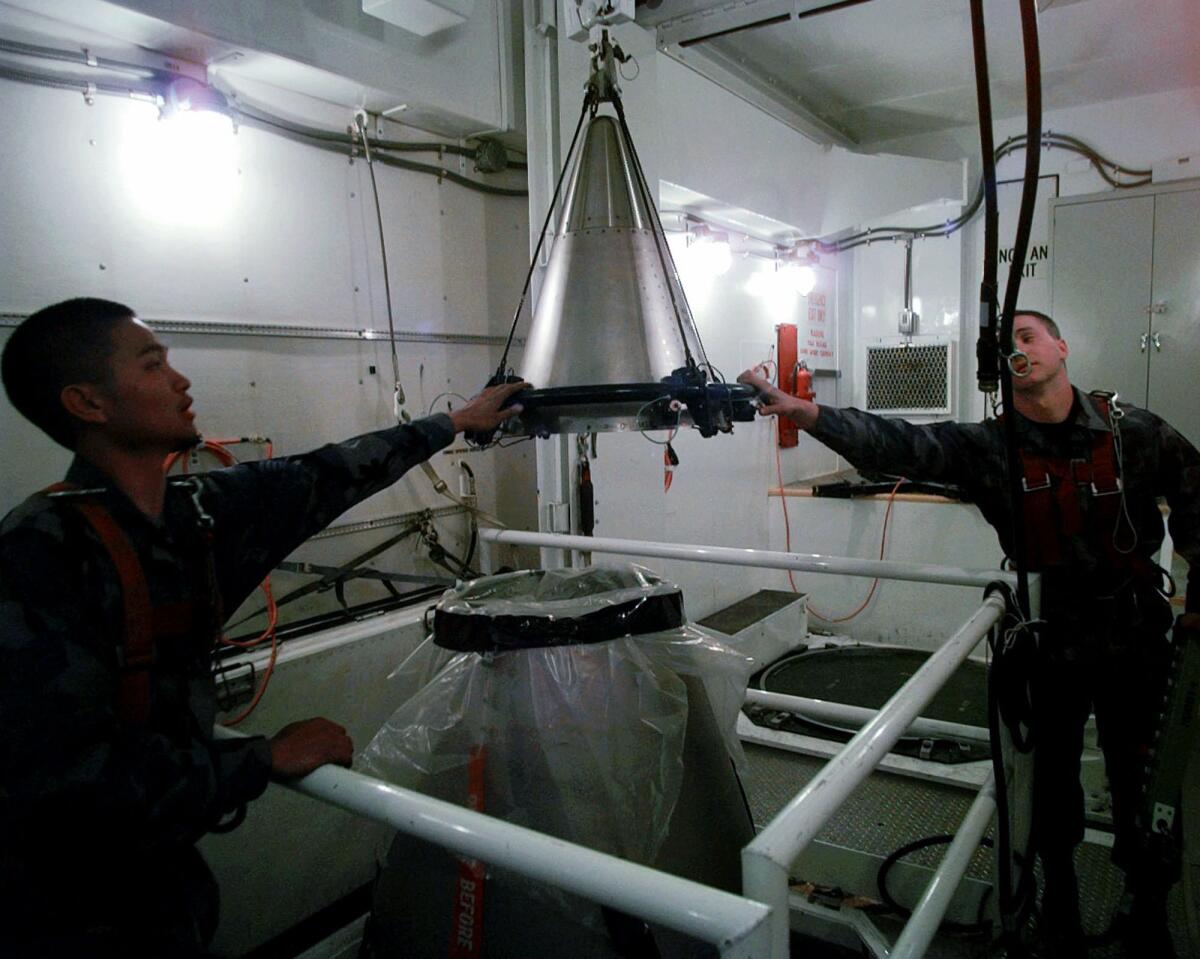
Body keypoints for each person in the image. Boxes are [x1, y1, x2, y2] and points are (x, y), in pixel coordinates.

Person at [0, 298, 527, 957]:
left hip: (166, 891)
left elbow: (327, 472)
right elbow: (57, 787)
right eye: (152, 364)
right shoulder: (40, 555)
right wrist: (260, 758)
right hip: (63, 913)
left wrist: (455, 421)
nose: (180, 380)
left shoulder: (196, 513)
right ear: (88, 403)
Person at [740, 310, 1200, 958]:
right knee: (1051, 789)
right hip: (1051, 637)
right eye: (1006, 342)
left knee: (1144, 787)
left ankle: (1149, 913)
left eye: (1029, 335)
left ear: (1063, 347)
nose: (1018, 349)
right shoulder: (990, 449)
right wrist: (807, 412)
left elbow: (1197, 494)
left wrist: (1196, 606)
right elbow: (896, 443)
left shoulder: (1134, 434)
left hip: (1136, 640)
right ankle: (1060, 906)